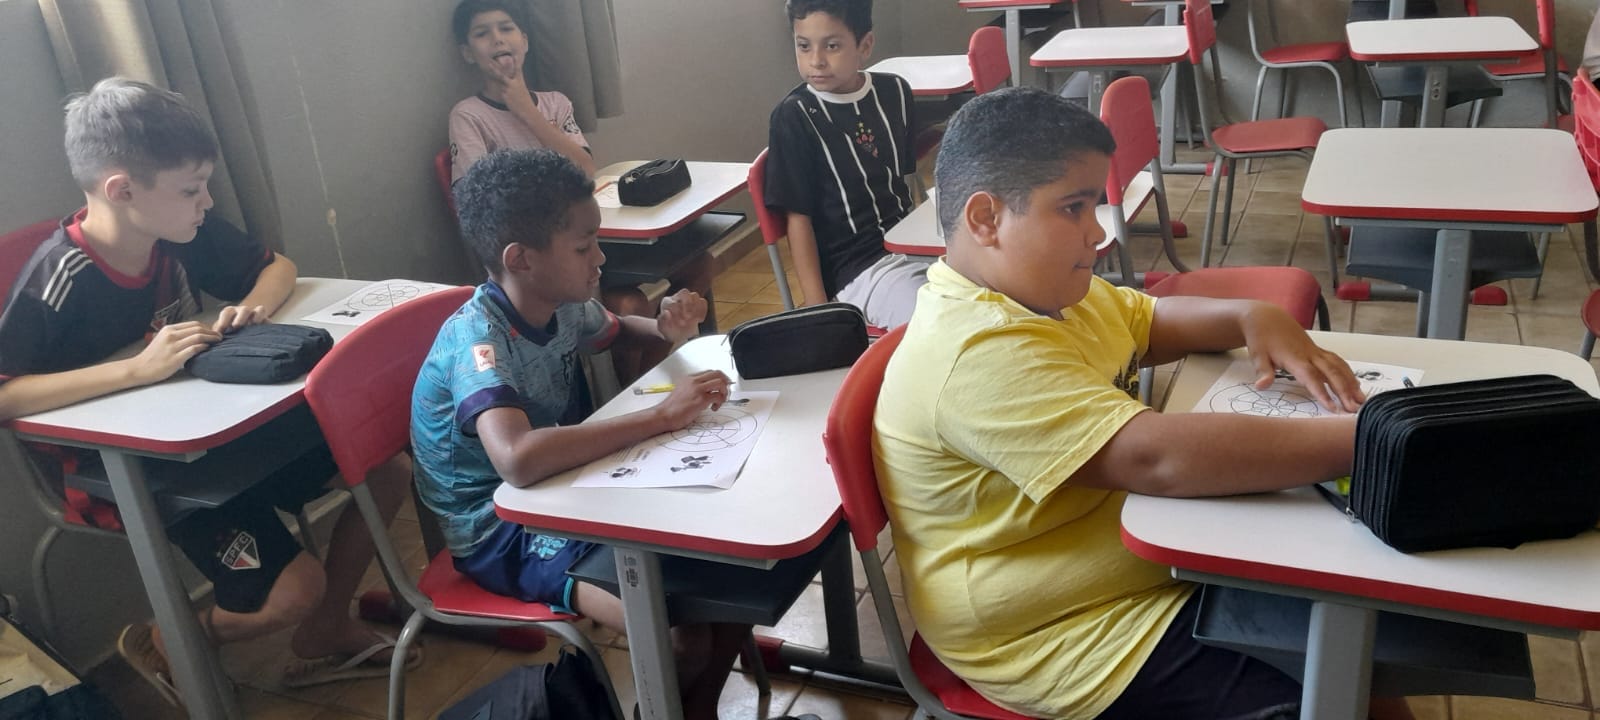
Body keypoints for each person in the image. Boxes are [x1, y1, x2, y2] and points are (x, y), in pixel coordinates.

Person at [872, 87, 1414, 720]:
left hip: (1142, 559)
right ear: (986, 219)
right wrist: (1379, 435)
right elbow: (1156, 459)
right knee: (1324, 689)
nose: (1097, 231)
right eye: (1073, 208)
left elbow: (1149, 320)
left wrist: (1250, 316)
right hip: (1060, 630)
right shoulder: (977, 352)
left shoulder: (1049, 293)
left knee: (1352, 652)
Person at [0, 77, 416, 704]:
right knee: (294, 590)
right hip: (120, 471)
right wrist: (136, 370)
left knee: (385, 469)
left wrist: (252, 308)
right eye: (192, 189)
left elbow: (277, 268)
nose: (207, 201)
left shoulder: (177, 230)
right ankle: (175, 638)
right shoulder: (60, 277)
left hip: (210, 432)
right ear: (122, 191)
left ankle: (326, 628)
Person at [411, 148, 768, 720]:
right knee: (677, 634)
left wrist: (663, 326)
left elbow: (616, 329)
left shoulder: (559, 303)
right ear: (521, 259)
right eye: (583, 247)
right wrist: (661, 416)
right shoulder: (477, 342)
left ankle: (691, 710)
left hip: (567, 490)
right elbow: (517, 459)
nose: (600, 259)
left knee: (726, 571)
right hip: (499, 528)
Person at [446, 0, 712, 383]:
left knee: (699, 262)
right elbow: (477, 202)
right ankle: (633, 386)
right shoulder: (469, 116)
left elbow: (585, 170)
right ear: (468, 52)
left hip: (590, 236)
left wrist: (527, 111)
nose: (498, 40)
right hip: (543, 250)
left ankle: (647, 375)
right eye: (482, 33)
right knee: (629, 303)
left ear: (525, 40)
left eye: (506, 28)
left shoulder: (555, 103)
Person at [764, 0, 928, 329]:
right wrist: (819, 314)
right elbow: (798, 220)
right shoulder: (794, 116)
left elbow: (904, 183)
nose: (816, 60)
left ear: (865, 45)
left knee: (993, 288)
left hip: (910, 244)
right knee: (937, 320)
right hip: (858, 270)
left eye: (832, 46)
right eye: (804, 46)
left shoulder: (894, 92)